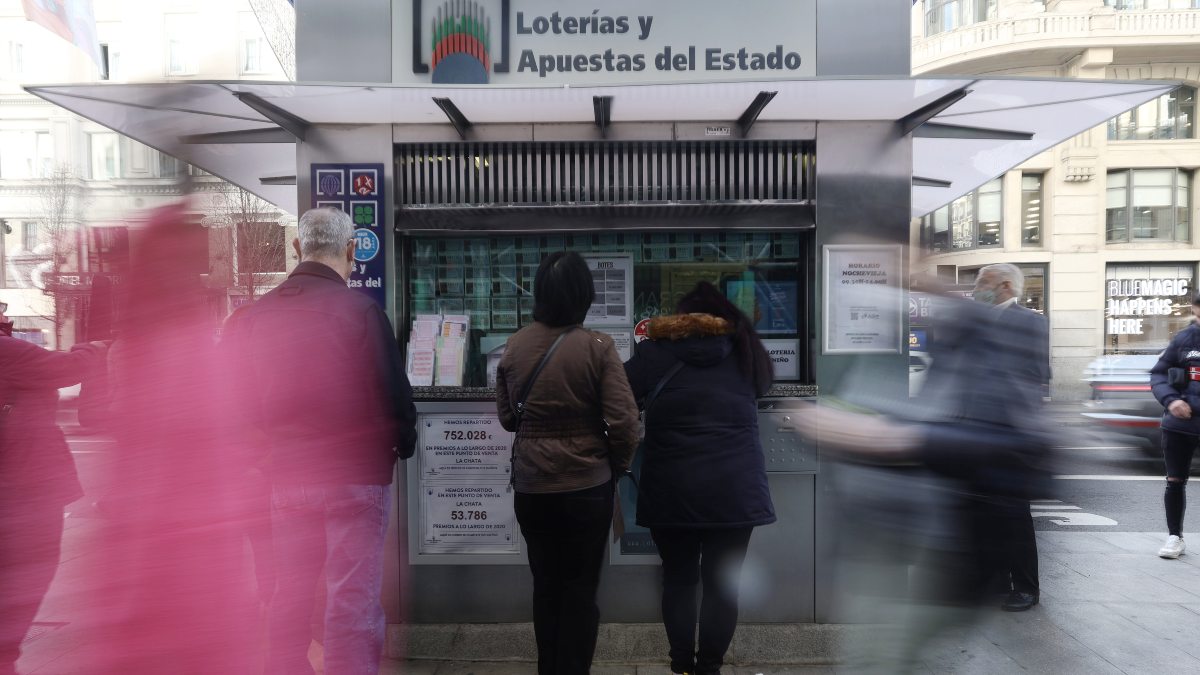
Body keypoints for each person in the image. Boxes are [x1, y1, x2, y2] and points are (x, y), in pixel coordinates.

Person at [222, 207, 418, 675]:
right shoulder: (362, 311)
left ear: (296, 248)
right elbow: (394, 392)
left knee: (291, 588)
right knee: (351, 595)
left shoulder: (256, 316)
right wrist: (401, 444)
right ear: (352, 251)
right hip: (356, 478)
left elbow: (237, 405)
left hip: (288, 477)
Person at [495, 251, 639, 675]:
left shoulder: (516, 345)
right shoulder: (598, 347)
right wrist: (615, 464)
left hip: (532, 488)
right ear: (584, 296)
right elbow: (625, 421)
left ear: (539, 294)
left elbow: (507, 418)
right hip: (586, 489)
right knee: (580, 589)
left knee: (546, 586)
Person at [623, 281, 776, 675]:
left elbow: (619, 392)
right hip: (734, 491)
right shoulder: (746, 351)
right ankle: (709, 667)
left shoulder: (654, 352)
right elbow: (764, 387)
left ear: (682, 317)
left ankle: (682, 665)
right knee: (723, 584)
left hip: (673, 491)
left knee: (678, 580)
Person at [0, 302, 107, 675]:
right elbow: (64, 368)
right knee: (30, 569)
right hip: (23, 485)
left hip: (18, 481)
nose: (6, 316)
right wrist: (93, 347)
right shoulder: (6, 351)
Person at [969, 263, 1051, 611]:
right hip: (977, 429)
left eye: (981, 282)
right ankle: (996, 579)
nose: (976, 288)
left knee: (1015, 513)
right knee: (985, 510)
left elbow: (1036, 374)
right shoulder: (975, 320)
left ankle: (1026, 587)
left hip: (1011, 431)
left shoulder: (1030, 322)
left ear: (1004, 286)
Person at [1150, 292, 1200, 560]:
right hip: (1181, 424)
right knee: (1175, 480)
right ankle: (1174, 537)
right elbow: (1159, 373)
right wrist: (1171, 401)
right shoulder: (1184, 339)